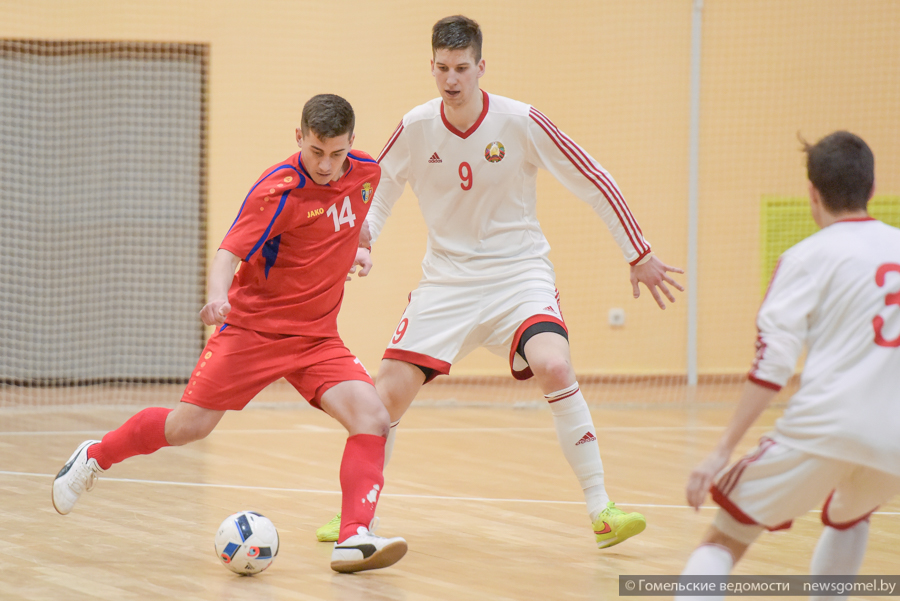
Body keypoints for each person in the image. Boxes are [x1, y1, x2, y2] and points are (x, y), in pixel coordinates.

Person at [316, 15, 684, 548]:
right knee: (381, 400)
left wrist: (638, 253)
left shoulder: (521, 121)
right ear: (433, 67)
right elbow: (377, 187)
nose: (451, 80)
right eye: (442, 68)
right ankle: (357, 517)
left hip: (518, 276)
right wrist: (365, 238)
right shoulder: (417, 126)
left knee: (553, 363)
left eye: (462, 68)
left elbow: (593, 178)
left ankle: (602, 508)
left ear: (481, 67)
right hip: (446, 284)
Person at [51, 94, 408, 574]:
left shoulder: (366, 173)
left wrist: (357, 250)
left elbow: (346, 222)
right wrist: (218, 298)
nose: (326, 165)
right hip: (252, 332)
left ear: (352, 144)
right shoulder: (276, 190)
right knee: (186, 428)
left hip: (317, 338)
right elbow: (228, 252)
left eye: (337, 153)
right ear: (299, 137)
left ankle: (354, 537)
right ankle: (94, 456)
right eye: (317, 151)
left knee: (373, 419)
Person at [675, 131, 900, 601]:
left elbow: (773, 365)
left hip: (824, 425)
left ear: (812, 193)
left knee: (725, 538)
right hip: (894, 438)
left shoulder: (806, 258)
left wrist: (721, 449)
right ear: (871, 189)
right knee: (851, 514)